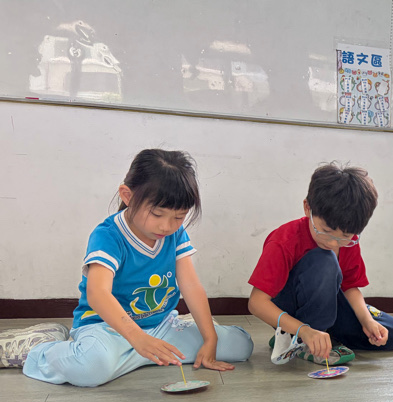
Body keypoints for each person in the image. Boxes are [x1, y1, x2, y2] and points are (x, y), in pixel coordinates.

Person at [8, 149, 253, 387]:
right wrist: (138, 339)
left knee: (241, 345)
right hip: (108, 328)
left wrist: (210, 338)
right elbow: (97, 293)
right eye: (157, 214)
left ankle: (139, 356)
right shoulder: (108, 235)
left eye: (179, 217)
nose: (167, 226)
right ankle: (41, 349)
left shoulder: (175, 235)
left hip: (161, 327)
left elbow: (191, 286)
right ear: (127, 196)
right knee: (92, 368)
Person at [247, 163, 393, 365]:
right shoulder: (284, 241)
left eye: (345, 236)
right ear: (307, 208)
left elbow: (350, 287)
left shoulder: (349, 241)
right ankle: (300, 337)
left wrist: (367, 321)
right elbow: (257, 303)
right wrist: (304, 330)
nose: (333, 243)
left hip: (329, 307)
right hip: (297, 312)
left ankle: (317, 338)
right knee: (324, 259)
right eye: (326, 231)